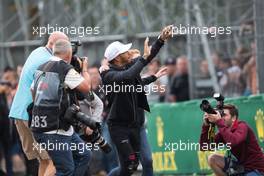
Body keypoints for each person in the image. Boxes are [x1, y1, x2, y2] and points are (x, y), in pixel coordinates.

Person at [100, 25, 173, 176]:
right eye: (124, 51)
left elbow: (147, 58)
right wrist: (144, 59)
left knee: (128, 168)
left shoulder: (128, 67)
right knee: (131, 163)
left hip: (134, 126)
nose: (128, 52)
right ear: (118, 57)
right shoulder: (108, 75)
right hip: (119, 127)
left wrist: (160, 40)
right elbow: (128, 75)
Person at [9, 31, 69, 176]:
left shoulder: (37, 52)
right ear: (57, 45)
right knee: (55, 160)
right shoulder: (50, 61)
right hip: (33, 116)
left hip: (18, 113)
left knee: (44, 161)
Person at [30, 39, 92, 175]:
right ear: (69, 54)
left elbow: (32, 91)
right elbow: (86, 88)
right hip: (55, 131)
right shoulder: (64, 68)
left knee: (84, 155)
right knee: (66, 169)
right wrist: (85, 70)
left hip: (47, 128)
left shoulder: (41, 67)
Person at [200, 104, 264, 176]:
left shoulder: (242, 126)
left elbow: (233, 141)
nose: (222, 117)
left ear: (233, 118)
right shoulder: (224, 132)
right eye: (221, 114)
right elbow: (204, 146)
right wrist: (206, 126)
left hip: (257, 169)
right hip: (241, 166)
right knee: (212, 159)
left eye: (224, 115)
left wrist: (219, 122)